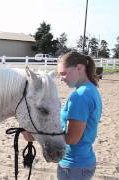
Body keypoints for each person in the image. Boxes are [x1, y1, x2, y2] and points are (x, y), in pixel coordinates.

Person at [22, 51, 102, 180]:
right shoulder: (90, 89)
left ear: (79, 68)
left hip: (74, 165)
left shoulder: (80, 96)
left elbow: (72, 138)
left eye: (64, 73)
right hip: (81, 161)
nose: (61, 78)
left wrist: (36, 136)